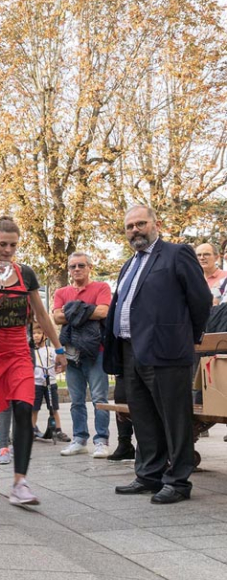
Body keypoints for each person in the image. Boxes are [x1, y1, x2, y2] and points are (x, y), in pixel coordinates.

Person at [104, 205, 210, 504]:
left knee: (174, 418)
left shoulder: (177, 254)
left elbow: (200, 299)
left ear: (155, 224)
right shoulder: (129, 264)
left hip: (167, 351)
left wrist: (186, 337)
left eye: (140, 224)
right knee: (144, 417)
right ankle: (149, 475)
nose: (134, 230)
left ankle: (177, 481)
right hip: (131, 350)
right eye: (129, 227)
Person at [0, 216, 67, 505]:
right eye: (2, 244)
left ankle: (19, 482)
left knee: (24, 406)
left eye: (13, 245)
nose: (8, 250)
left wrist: (59, 350)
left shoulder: (26, 274)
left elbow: (41, 314)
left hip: (16, 350)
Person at [53, 251, 112, 458]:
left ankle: (102, 440)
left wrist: (72, 311)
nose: (77, 269)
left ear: (89, 267)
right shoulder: (61, 292)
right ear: (69, 270)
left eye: (81, 265)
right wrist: (87, 311)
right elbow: (57, 317)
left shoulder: (101, 287)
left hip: (97, 352)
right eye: (73, 266)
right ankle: (79, 439)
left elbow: (103, 312)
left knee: (99, 398)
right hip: (71, 352)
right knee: (76, 400)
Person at [31, 328, 69, 441]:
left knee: (53, 408)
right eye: (33, 333)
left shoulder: (51, 351)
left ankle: (58, 430)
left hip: (50, 383)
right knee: (34, 409)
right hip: (36, 383)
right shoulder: (32, 352)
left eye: (38, 333)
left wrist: (60, 365)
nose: (36, 336)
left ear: (45, 335)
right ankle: (31, 430)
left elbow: (59, 361)